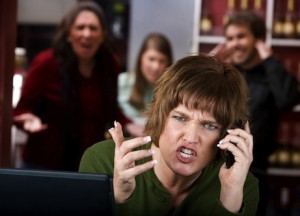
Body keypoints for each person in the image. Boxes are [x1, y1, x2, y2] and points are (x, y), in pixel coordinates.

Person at [79, 54, 259, 216]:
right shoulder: (103, 161)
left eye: (209, 126)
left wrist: (229, 196)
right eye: (180, 118)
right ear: (160, 116)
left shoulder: (240, 186)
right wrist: (119, 200)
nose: (190, 137)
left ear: (227, 134)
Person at [13, 1, 130, 171]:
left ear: (103, 35)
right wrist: (28, 120)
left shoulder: (109, 64)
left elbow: (109, 109)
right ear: (68, 34)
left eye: (93, 28)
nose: (87, 34)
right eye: (80, 27)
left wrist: (128, 122)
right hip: (43, 165)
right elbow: (20, 111)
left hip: (88, 163)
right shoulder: (46, 63)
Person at [210, 11, 300, 215]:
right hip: (214, 164)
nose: (234, 44)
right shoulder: (226, 75)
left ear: (257, 40)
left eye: (241, 36)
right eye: (230, 38)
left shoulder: (272, 75)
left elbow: (287, 100)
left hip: (255, 168)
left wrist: (269, 58)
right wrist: (211, 62)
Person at [118, 33, 173, 137]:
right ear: (141, 58)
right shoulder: (122, 82)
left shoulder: (171, 91)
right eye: (151, 59)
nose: (156, 66)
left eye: (162, 61)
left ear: (168, 64)